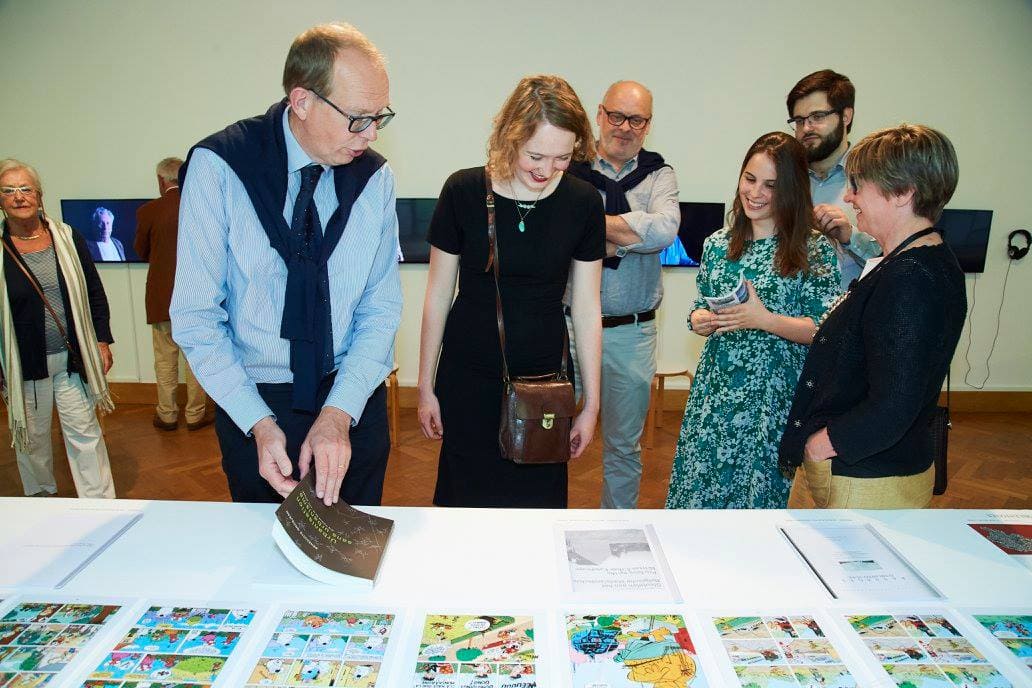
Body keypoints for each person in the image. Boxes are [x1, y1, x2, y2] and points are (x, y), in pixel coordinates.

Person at [171, 22, 402, 506]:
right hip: (255, 400)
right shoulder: (221, 166)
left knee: (355, 541)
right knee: (263, 543)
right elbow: (196, 316)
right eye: (358, 118)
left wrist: (338, 413)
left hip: (350, 396)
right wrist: (256, 421)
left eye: (379, 117)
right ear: (302, 101)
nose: (371, 133)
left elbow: (379, 310)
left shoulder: (375, 179)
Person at [416, 74, 604, 508]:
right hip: (469, 375)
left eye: (562, 158)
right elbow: (438, 296)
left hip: (543, 382)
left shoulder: (583, 202)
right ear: (509, 138)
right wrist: (424, 386)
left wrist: (591, 404)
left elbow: (586, 307)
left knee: (536, 512)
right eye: (535, 155)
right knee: (465, 507)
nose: (546, 170)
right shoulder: (463, 191)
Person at [779, 124, 966, 508]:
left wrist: (821, 445)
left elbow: (895, 404)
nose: (849, 196)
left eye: (858, 185)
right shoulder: (917, 259)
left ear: (902, 192)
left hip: (864, 478)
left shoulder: (911, 278)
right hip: (868, 469)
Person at [665, 133, 840, 509]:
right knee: (702, 494)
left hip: (772, 400)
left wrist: (764, 319)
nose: (756, 193)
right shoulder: (717, 244)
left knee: (758, 503)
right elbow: (699, 305)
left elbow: (823, 331)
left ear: (791, 190)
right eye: (750, 179)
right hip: (715, 394)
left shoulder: (813, 249)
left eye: (771, 185)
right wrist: (699, 318)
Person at [565, 81, 680, 509]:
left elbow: (664, 230)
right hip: (565, 329)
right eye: (616, 115)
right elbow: (555, 228)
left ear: (648, 125)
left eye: (636, 119)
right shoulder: (569, 167)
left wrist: (588, 224)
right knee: (547, 434)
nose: (624, 127)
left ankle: (617, 532)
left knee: (623, 448)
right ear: (599, 114)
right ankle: (541, 526)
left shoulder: (660, 174)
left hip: (631, 334)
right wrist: (631, 235)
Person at [0, 158, 116, 498]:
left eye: (26, 188)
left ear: (39, 195)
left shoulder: (66, 237)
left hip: (73, 360)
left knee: (85, 435)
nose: (19, 196)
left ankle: (99, 504)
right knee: (33, 441)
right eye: (9, 190)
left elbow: (94, 291)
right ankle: (40, 500)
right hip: (24, 366)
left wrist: (102, 341)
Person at [135, 157, 212, 432]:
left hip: (162, 300)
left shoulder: (148, 211)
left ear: (161, 180)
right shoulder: (202, 206)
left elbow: (141, 251)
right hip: (198, 300)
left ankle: (167, 414)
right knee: (196, 361)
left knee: (165, 361)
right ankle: (195, 415)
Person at [787, 69, 881, 289]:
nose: (806, 128)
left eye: (818, 117)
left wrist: (850, 237)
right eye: (799, 120)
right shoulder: (783, 180)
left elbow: (894, 262)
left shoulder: (878, 179)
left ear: (846, 116)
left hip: (852, 307)